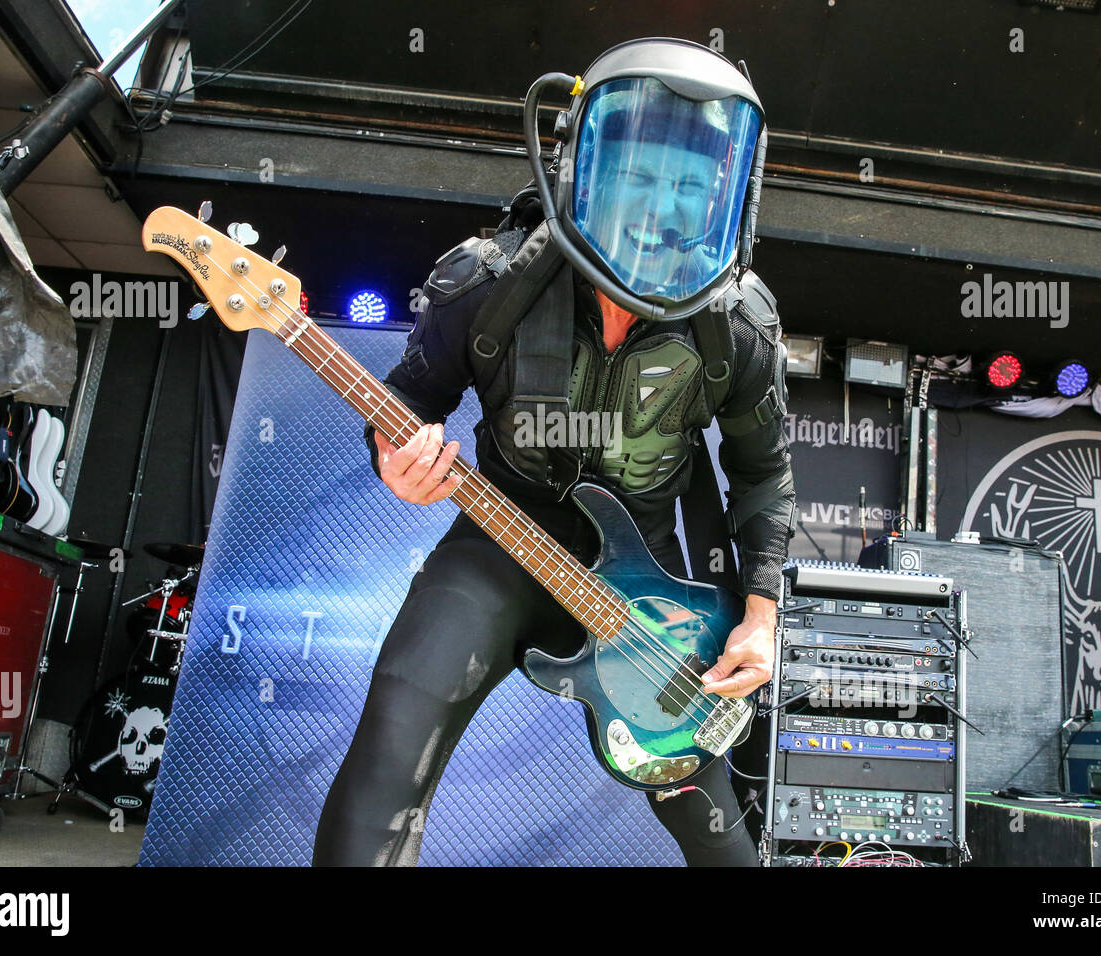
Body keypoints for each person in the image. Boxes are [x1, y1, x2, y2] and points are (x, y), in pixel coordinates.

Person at [313, 37, 796, 867]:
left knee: (712, 825)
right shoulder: (486, 279)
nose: (663, 207)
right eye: (641, 175)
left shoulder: (740, 323)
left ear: (726, 195)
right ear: (587, 163)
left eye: (688, 185)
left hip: (650, 592)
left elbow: (763, 474)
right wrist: (393, 457)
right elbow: (407, 403)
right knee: (391, 749)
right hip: (496, 549)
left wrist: (759, 620)